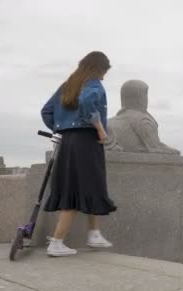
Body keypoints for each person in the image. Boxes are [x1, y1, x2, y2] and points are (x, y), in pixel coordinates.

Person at [40, 51, 117, 257]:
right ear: (98, 68)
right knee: (76, 188)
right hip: (87, 141)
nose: (104, 77)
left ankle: (94, 233)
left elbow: (46, 111)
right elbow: (86, 102)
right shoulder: (93, 84)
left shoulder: (68, 85)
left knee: (92, 184)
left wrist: (61, 127)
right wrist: (99, 128)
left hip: (68, 142)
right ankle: (56, 242)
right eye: (104, 72)